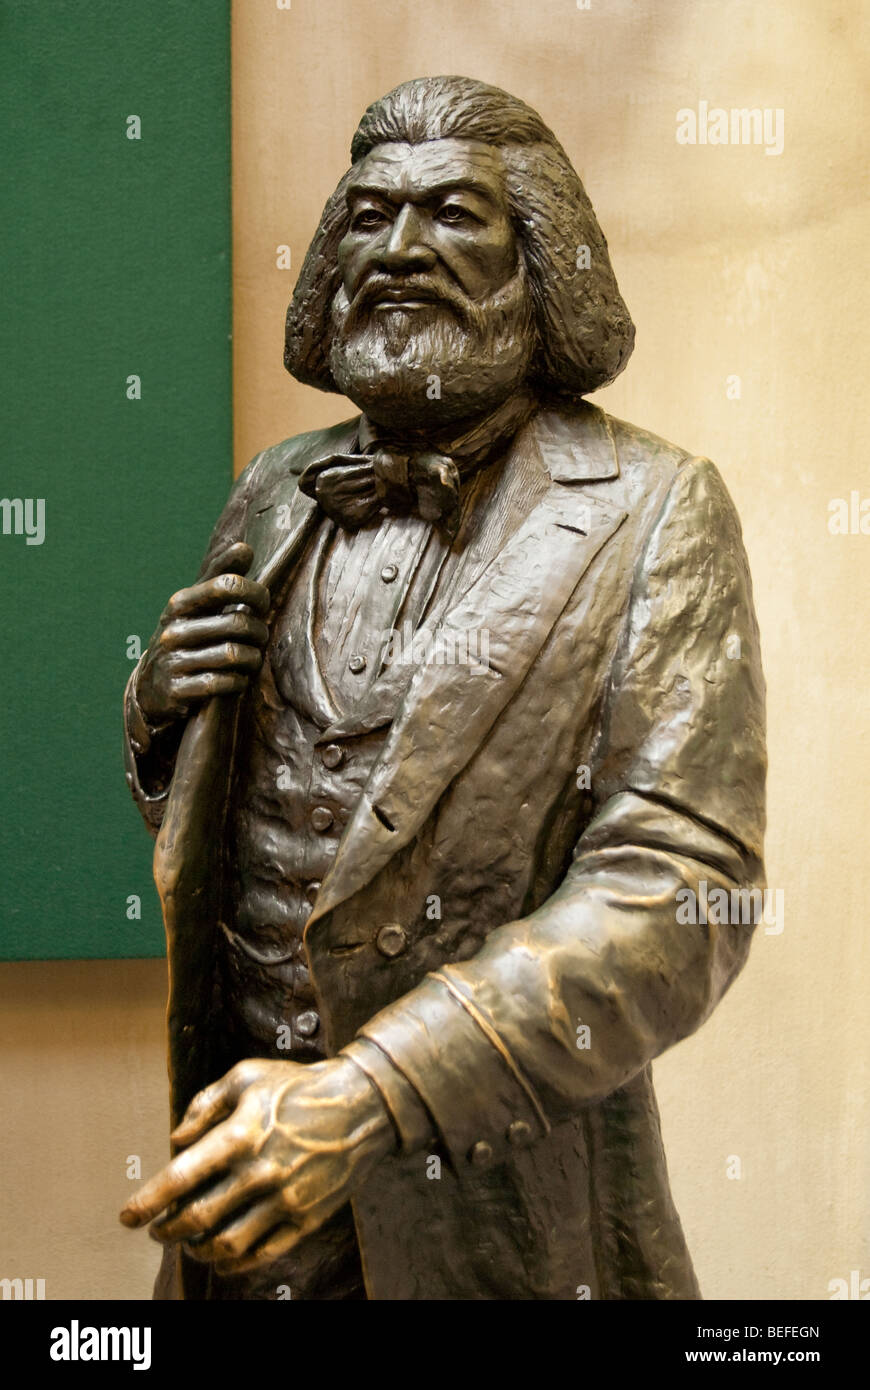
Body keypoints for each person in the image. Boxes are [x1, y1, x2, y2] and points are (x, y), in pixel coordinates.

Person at [120, 76, 766, 1301]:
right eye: (369, 217)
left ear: (541, 261)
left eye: (454, 215)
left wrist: (371, 1095)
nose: (401, 250)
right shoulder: (275, 488)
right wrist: (163, 723)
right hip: (243, 1224)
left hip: (499, 1229)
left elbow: (684, 890)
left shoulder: (652, 508)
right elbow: (268, 831)